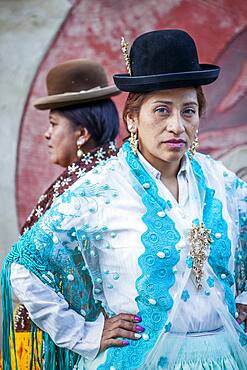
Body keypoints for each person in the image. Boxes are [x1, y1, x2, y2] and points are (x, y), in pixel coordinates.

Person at [2, 29, 247, 370]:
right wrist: (84, 333)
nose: (177, 125)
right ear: (132, 118)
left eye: (188, 111)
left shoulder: (221, 182)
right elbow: (22, 268)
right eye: (162, 110)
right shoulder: (101, 190)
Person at [9, 59, 120, 370]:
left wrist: (82, 334)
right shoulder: (111, 171)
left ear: (82, 132)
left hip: (73, 353)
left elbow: (23, 271)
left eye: (53, 124)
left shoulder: (85, 187)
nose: (46, 135)